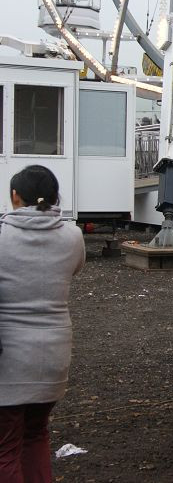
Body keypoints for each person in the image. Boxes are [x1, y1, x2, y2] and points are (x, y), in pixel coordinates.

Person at [0, 166, 85, 482]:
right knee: (36, 435)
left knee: (5, 448)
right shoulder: (73, 237)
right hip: (53, 357)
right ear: (54, 197)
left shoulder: (2, 235)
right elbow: (73, 269)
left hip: (9, 359)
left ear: (15, 197)